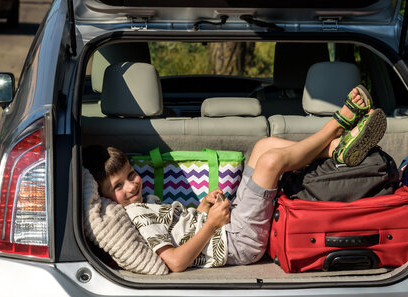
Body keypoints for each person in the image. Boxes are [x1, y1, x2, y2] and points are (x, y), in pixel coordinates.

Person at [83, 86, 387, 272]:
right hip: (237, 243)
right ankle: (335, 128)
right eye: (118, 186)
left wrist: (202, 210)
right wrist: (212, 224)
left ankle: (336, 150)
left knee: (264, 146)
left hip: (227, 228)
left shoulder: (143, 203)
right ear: (104, 196)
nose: (132, 185)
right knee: (270, 161)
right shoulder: (135, 216)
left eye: (131, 175)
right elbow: (174, 262)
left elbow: (178, 231)